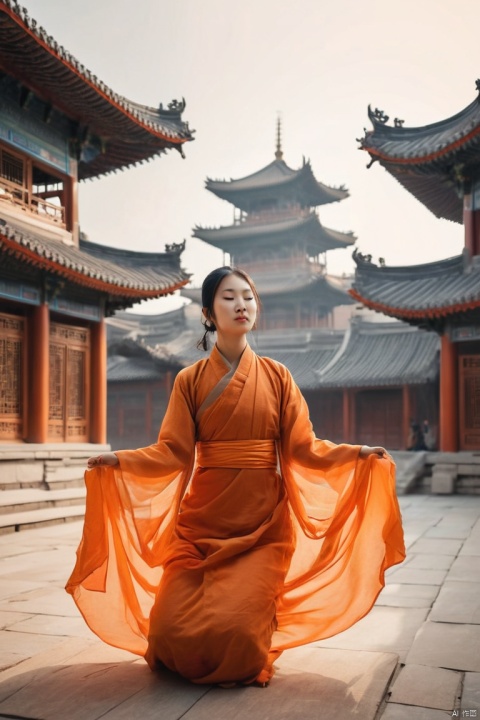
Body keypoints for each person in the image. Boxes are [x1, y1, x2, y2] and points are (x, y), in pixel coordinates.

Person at [66, 266, 405, 688]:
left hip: (260, 526)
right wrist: (119, 461)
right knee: (168, 638)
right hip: (201, 525)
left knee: (239, 639)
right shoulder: (188, 380)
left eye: (248, 296)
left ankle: (256, 624)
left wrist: (358, 454)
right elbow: (171, 451)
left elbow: (305, 447)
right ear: (208, 313)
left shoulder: (278, 377)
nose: (242, 304)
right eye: (229, 297)